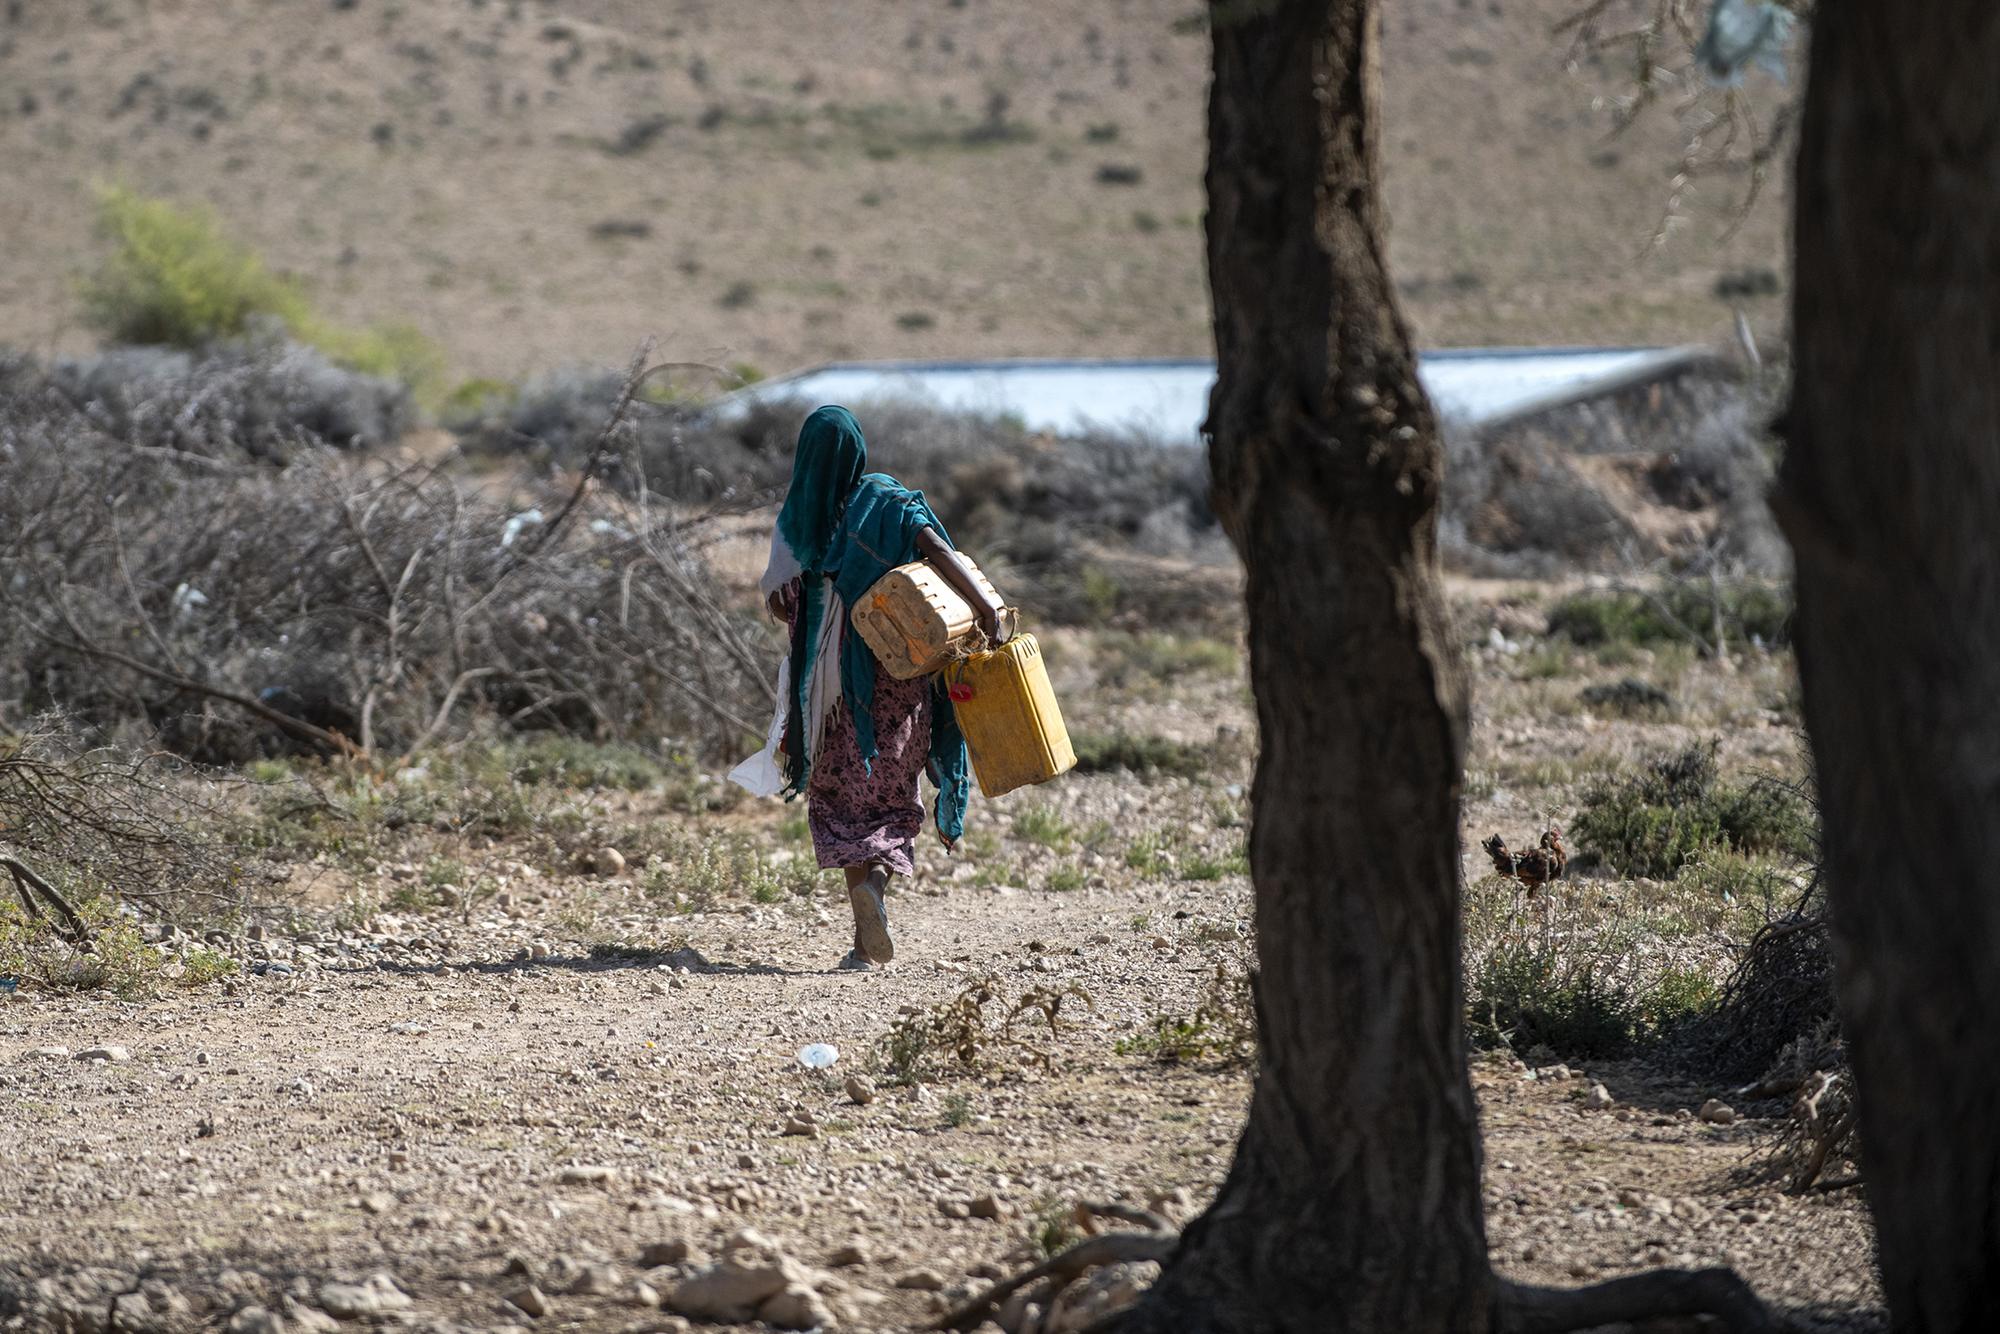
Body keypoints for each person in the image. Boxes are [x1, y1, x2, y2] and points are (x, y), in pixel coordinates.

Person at [757, 405, 1006, 970]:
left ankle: (860, 922)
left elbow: (779, 604)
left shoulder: (797, 520)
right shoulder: (884, 500)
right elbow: (940, 552)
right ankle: (874, 888)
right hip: (894, 672)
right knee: (891, 793)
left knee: (843, 797)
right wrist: (986, 607)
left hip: (824, 690)